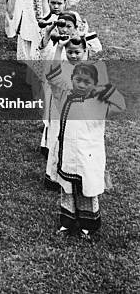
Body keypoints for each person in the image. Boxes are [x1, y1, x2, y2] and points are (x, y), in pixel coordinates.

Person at [46, 62, 125, 241]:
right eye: (77, 80)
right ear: (71, 79)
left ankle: (88, 226)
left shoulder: (99, 102)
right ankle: (67, 221)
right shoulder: (66, 96)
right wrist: (58, 48)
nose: (81, 85)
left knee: (86, 190)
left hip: (87, 156)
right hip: (67, 153)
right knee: (67, 189)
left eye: (87, 82)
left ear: (94, 83)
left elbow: (121, 105)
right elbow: (52, 78)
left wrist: (104, 89)